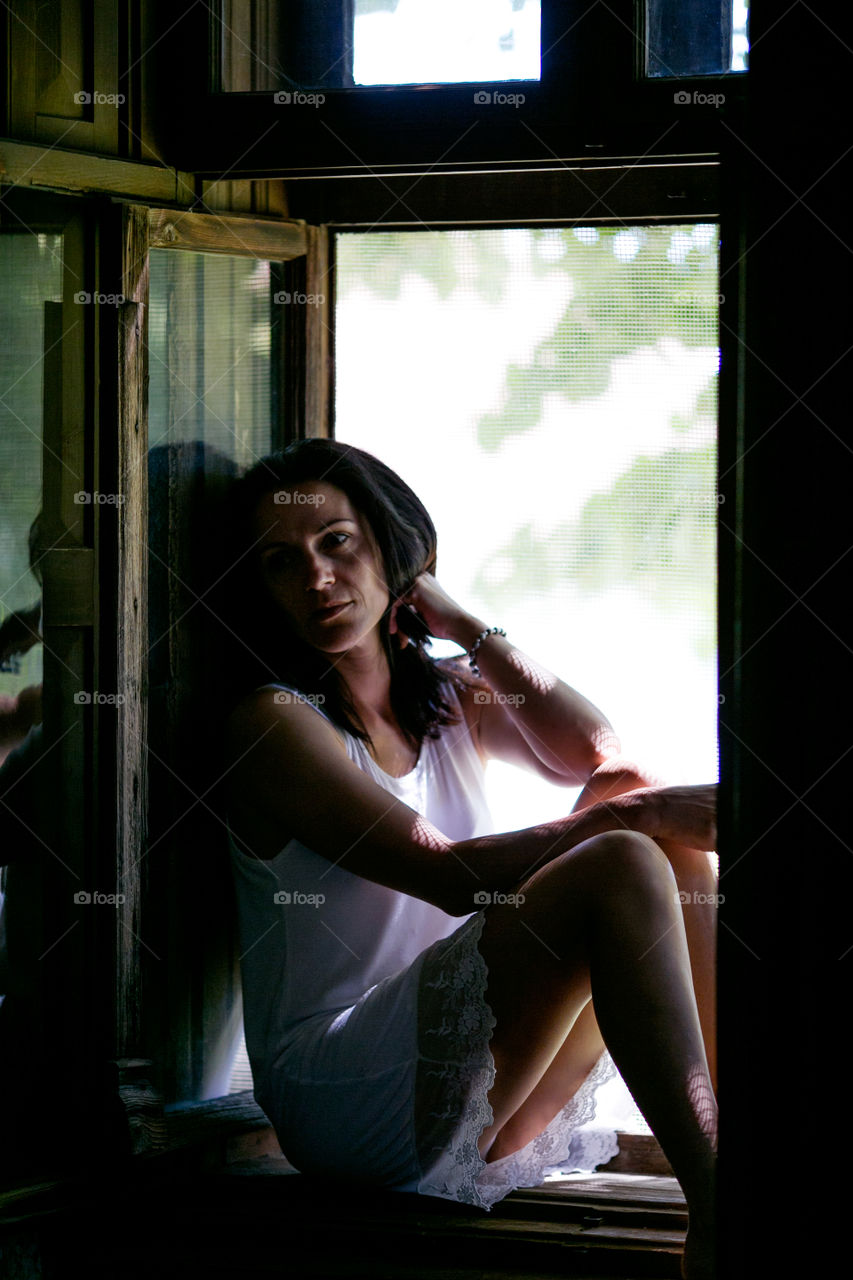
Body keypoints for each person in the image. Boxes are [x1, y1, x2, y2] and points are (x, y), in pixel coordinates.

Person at [218, 439, 717, 1280]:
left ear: (393, 549)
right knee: (624, 851)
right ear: (261, 591)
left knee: (638, 810)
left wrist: (460, 625)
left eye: (337, 542)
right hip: (344, 1088)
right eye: (281, 563)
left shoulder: (445, 693)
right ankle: (719, 1199)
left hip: (460, 1067)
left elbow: (591, 750)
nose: (316, 579)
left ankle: (723, 1141)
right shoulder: (274, 724)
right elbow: (449, 878)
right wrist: (644, 811)